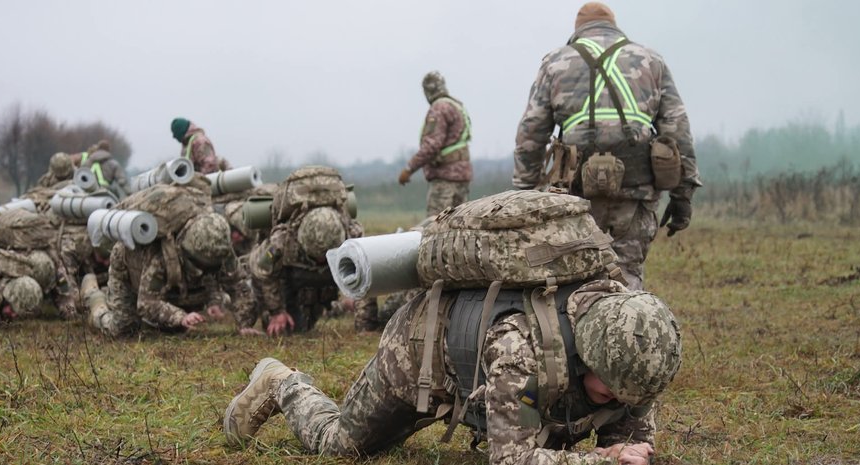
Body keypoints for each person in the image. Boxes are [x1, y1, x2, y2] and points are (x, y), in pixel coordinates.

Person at [223, 278, 681, 465]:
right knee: (342, 447)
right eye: (615, 392)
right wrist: (600, 460)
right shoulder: (518, 349)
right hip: (422, 351)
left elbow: (632, 442)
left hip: (506, 382)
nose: (626, 403)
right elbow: (512, 459)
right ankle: (281, 380)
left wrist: (628, 450)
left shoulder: (632, 352)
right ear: (586, 356)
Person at [511, 2, 702, 290]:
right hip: (636, 190)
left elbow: (531, 133)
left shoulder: (555, 62)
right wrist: (682, 197)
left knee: (575, 275)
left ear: (578, 31)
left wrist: (523, 196)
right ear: (613, 26)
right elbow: (677, 130)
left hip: (575, 194)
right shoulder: (651, 60)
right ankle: (626, 326)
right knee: (627, 274)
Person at [87, 212, 257, 336]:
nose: (207, 270)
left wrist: (245, 324)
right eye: (202, 265)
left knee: (173, 326)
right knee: (124, 328)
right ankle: (94, 298)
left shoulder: (220, 251)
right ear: (187, 253)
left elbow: (239, 285)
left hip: (176, 286)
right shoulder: (161, 257)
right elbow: (146, 303)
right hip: (130, 269)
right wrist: (180, 317)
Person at [248, 206, 378, 335]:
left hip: (320, 290)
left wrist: (365, 327)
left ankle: (336, 307)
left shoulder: (353, 237)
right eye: (317, 256)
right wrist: (276, 311)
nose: (321, 261)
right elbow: (261, 270)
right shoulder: (282, 241)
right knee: (290, 330)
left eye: (325, 256)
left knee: (305, 325)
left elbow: (366, 278)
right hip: (289, 287)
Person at [398, 71, 473, 216]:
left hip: (444, 180)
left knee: (436, 227)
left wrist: (408, 169)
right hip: (462, 177)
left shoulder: (439, 109)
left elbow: (431, 146)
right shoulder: (457, 106)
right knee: (459, 227)